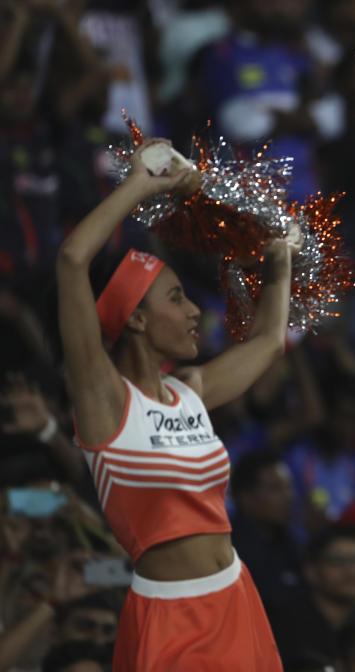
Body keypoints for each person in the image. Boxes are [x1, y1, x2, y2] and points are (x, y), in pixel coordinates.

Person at [55, 138, 297, 671]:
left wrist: (279, 259)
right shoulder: (103, 401)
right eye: (175, 299)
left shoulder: (190, 389)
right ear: (135, 319)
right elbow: (73, 260)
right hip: (169, 617)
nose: (194, 312)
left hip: (235, 596)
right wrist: (141, 184)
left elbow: (265, 342)